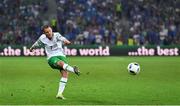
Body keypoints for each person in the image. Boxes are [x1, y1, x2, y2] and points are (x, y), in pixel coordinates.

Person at [30, 25, 80, 99]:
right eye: (47, 32)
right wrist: (32, 48)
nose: (49, 33)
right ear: (44, 33)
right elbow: (37, 43)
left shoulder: (56, 35)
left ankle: (59, 94)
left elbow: (62, 38)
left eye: (50, 31)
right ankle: (73, 70)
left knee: (65, 73)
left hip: (62, 55)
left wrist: (66, 41)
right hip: (51, 57)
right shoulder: (42, 38)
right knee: (60, 63)